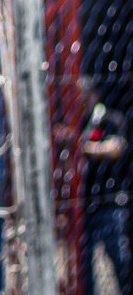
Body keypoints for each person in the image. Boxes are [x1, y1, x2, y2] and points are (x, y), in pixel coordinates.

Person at [79, 75, 131, 295]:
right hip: (84, 205)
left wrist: (87, 149)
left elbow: (116, 147)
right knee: (84, 264)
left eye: (83, 95)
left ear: (94, 95)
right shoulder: (78, 123)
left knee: (119, 258)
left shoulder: (110, 119)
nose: (80, 101)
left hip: (110, 202)